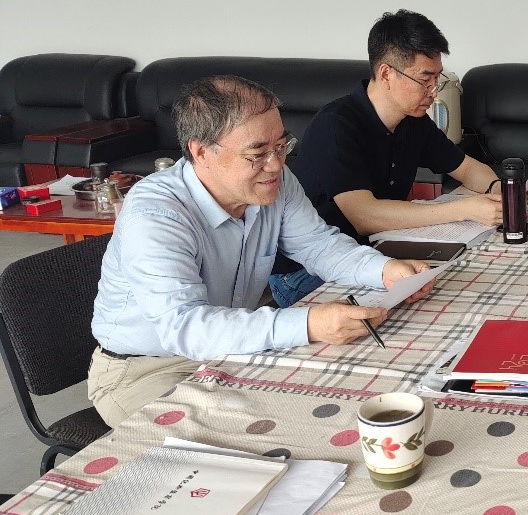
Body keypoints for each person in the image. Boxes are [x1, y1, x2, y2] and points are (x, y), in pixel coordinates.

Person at [89, 75, 436, 427]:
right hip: (145, 369)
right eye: (257, 155)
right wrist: (309, 323)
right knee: (239, 437)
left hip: (230, 350)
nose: (275, 165)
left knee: (339, 402)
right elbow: (187, 328)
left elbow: (319, 246)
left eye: (281, 147)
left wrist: (384, 270)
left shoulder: (273, 181)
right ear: (201, 152)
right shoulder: (157, 215)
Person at [268, 10, 504, 307]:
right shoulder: (336, 126)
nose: (433, 92)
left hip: (373, 252)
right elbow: (364, 216)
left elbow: (467, 168)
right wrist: (464, 209)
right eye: (425, 79)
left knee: (465, 282)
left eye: (437, 78)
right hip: (304, 272)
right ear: (386, 74)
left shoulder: (413, 121)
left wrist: (500, 191)